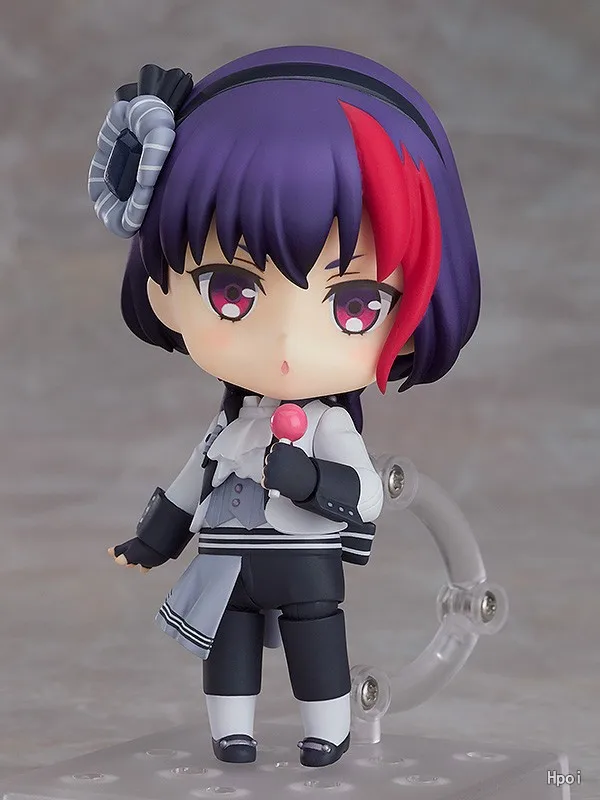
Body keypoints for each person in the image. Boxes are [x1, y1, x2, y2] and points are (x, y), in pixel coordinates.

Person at [88, 45, 480, 767]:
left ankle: (326, 729)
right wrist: (155, 540)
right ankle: (231, 730)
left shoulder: (329, 426)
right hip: (228, 564)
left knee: (317, 641)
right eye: (231, 291)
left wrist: (307, 480)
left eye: (356, 304)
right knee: (227, 643)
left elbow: (365, 497)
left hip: (305, 566)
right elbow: (190, 484)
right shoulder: (229, 427)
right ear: (162, 292)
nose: (288, 344)